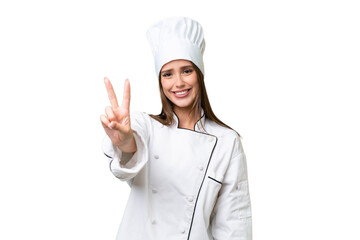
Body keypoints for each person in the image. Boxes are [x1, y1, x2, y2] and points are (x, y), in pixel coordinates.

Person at [100, 17, 252, 240]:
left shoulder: (226, 142)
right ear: (160, 81)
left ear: (199, 74)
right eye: (168, 74)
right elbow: (129, 153)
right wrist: (125, 143)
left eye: (187, 71)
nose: (178, 83)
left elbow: (234, 221)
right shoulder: (146, 126)